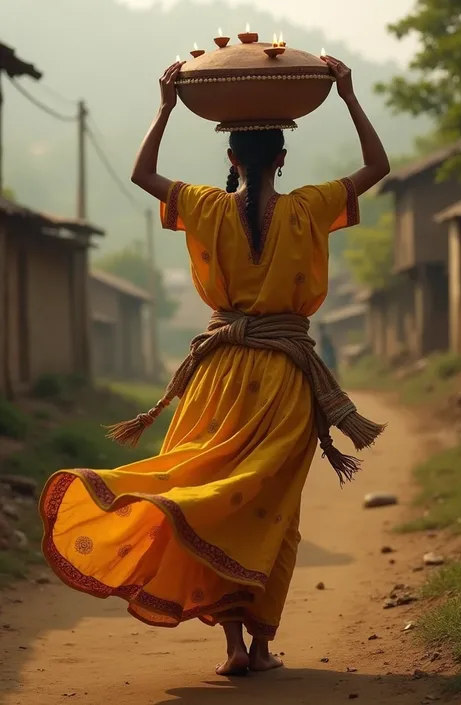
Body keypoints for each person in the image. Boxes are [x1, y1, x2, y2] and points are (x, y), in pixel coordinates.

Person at [39, 55, 389, 677]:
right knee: (270, 515)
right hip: (283, 381)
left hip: (218, 376)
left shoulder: (205, 207)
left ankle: (231, 645)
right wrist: (347, 95)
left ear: (231, 160)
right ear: (282, 158)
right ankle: (259, 647)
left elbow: (142, 172)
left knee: (210, 496)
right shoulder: (310, 207)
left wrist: (167, 106)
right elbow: (377, 167)